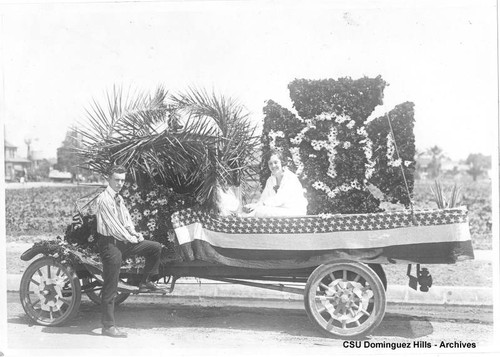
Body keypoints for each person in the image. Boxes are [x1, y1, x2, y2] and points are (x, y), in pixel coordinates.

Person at [94, 165, 164, 338]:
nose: (120, 183)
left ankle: (145, 281)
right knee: (111, 285)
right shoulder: (104, 199)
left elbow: (126, 221)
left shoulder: (119, 199)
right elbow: (114, 227)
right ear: (109, 179)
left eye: (123, 180)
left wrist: (135, 233)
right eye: (116, 179)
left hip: (124, 241)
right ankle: (108, 326)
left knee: (155, 248)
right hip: (110, 244)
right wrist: (132, 238)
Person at [244, 149, 308, 217]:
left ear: (281, 162)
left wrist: (258, 206)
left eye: (275, 162)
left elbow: (280, 199)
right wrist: (254, 206)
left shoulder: (290, 178)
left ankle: (242, 219)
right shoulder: (270, 180)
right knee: (252, 210)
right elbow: (263, 198)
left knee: (260, 211)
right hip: (278, 210)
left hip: (294, 211)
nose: (273, 166)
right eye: (270, 163)